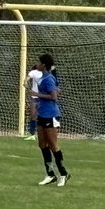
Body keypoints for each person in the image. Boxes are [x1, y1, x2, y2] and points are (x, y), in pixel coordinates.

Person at [33, 53, 70, 187]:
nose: (36, 63)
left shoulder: (48, 79)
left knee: (53, 144)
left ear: (44, 65)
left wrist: (36, 94)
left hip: (51, 114)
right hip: (42, 114)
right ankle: (50, 174)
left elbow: (53, 97)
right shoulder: (45, 77)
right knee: (42, 144)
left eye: (39, 61)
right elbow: (56, 89)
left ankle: (63, 173)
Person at [23, 64, 43, 140]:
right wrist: (25, 82)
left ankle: (44, 134)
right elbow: (27, 78)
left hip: (43, 97)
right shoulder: (33, 72)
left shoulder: (46, 73)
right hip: (34, 97)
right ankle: (32, 134)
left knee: (43, 116)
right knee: (33, 115)